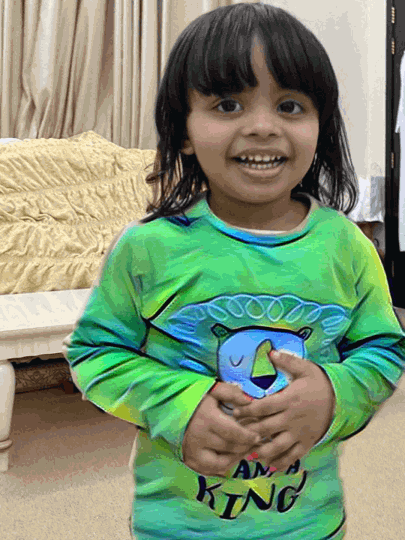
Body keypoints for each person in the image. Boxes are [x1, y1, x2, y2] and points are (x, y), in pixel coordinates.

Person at [62, 4, 405, 540]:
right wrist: (179, 404)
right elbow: (94, 354)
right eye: (227, 104)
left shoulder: (347, 247)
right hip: (178, 527)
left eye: (290, 106)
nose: (263, 127)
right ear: (183, 129)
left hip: (310, 525)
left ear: (320, 126)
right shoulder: (148, 248)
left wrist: (334, 394)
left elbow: (383, 349)